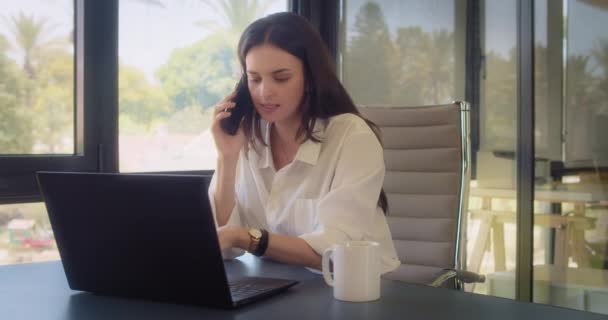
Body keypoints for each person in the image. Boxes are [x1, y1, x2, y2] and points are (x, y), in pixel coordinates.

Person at [209, 12, 400, 273]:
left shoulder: (352, 137)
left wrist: (244, 236)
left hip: (356, 289)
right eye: (254, 79)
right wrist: (226, 158)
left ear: (309, 78)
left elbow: (335, 248)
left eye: (281, 78)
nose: (264, 92)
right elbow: (225, 247)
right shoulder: (249, 139)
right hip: (283, 287)